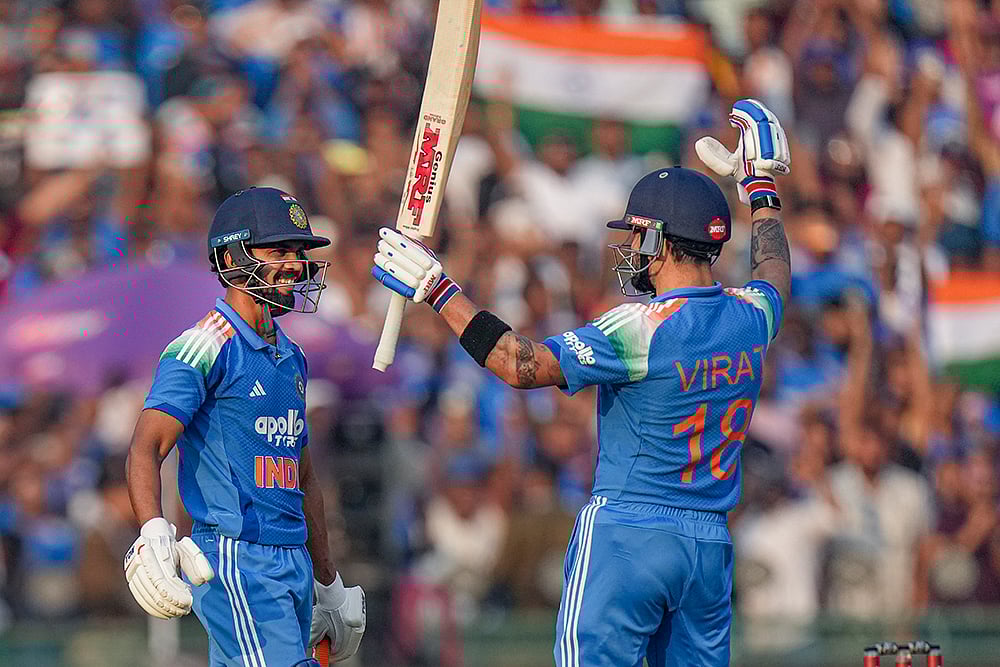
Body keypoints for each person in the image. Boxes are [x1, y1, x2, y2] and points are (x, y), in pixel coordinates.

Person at [372, 99, 792, 666]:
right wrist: (760, 189)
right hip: (708, 544)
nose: (628, 249)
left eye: (639, 236)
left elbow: (519, 365)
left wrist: (438, 289)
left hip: (628, 532)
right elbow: (774, 273)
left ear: (663, 242)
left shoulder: (641, 326)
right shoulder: (750, 316)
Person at [124, 187, 366, 666]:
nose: (295, 265)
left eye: (298, 253)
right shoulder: (203, 344)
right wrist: (153, 531)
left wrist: (328, 581)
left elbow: (303, 478)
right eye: (278, 251)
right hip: (238, 558)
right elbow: (145, 447)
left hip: (291, 559)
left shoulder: (292, 357)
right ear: (233, 257)